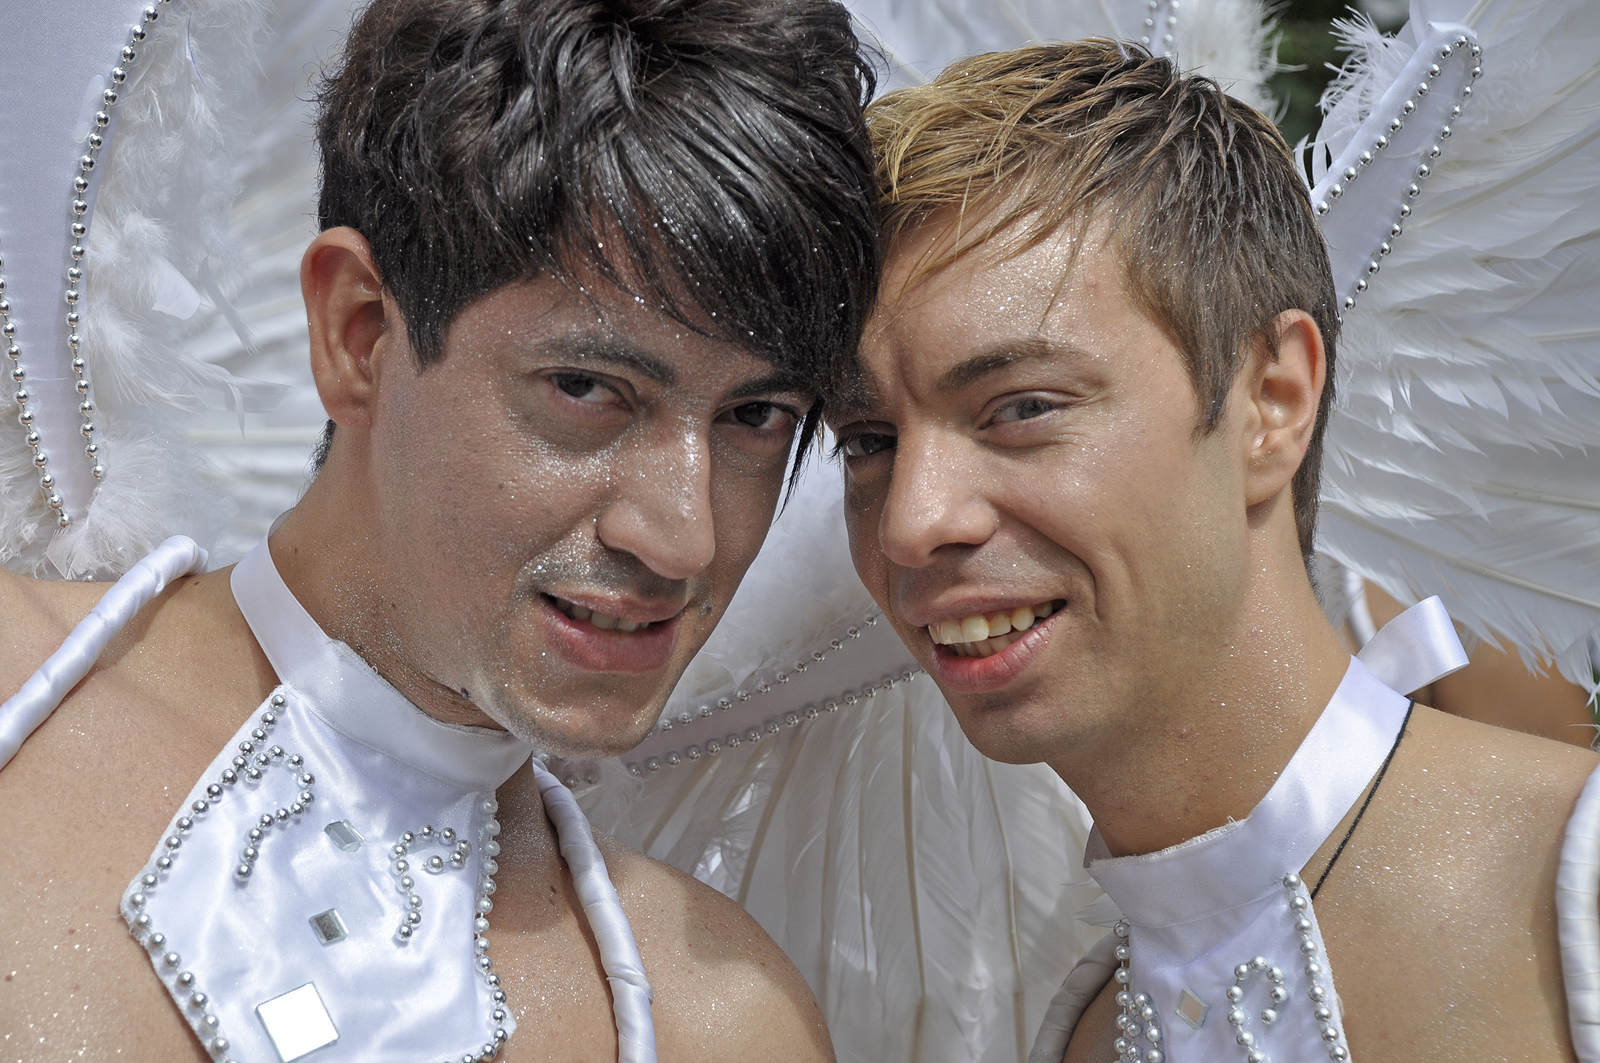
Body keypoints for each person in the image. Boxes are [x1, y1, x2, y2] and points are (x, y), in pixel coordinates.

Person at [0, 0, 879, 1058]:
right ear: (358, 332)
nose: (683, 537)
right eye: (588, 388)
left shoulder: (724, 1027)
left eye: (755, 417)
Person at [836, 39, 1600, 1061]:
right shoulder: (1084, 1032)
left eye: (1020, 406)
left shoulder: (1577, 878)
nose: (910, 521)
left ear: (1271, 401)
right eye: (868, 441)